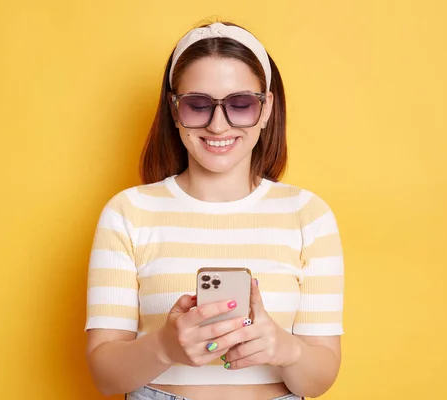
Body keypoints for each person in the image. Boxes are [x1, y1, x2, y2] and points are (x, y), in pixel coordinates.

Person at [84, 21, 345, 400]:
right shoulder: (128, 212)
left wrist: (283, 348)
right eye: (198, 105)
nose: (218, 125)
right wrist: (165, 348)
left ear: (267, 106)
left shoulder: (309, 215)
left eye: (240, 104)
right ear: (174, 111)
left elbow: (319, 379)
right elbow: (105, 377)